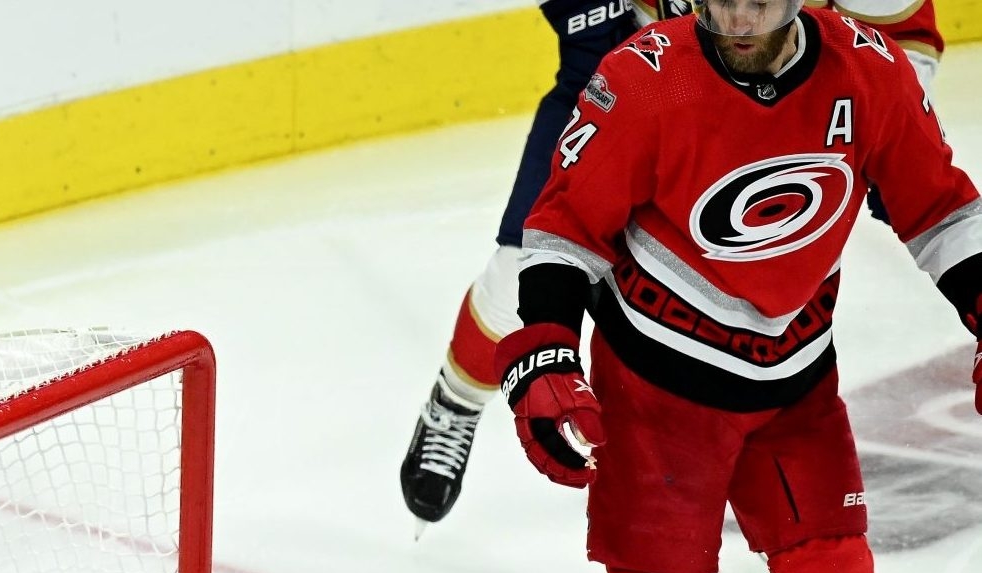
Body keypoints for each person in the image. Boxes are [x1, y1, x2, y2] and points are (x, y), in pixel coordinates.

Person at [488, 0, 982, 573]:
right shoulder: (639, 78)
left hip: (794, 383)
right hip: (657, 389)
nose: (739, 9)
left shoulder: (866, 70)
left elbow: (938, 205)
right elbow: (564, 227)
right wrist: (546, 350)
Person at [399, 0, 946, 530]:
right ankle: (458, 398)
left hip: (770, 96)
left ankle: (741, 462)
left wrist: (881, 134)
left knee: (734, 288)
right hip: (627, 69)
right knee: (525, 268)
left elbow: (903, 32)